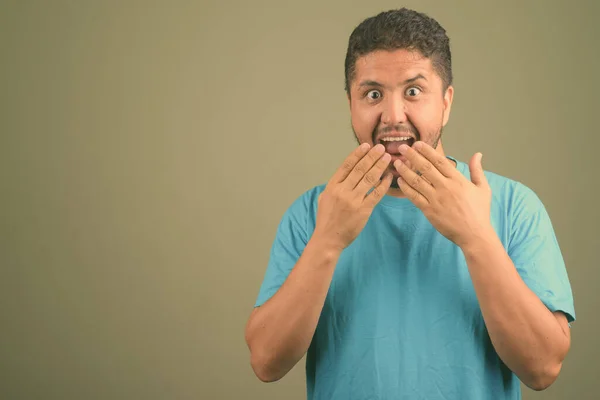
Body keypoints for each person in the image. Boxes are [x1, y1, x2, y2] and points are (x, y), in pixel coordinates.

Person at [244, 7, 576, 399]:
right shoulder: (311, 212)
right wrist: (328, 240)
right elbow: (266, 362)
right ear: (351, 104)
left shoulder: (514, 206)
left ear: (446, 102)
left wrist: (476, 237)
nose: (393, 115)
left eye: (413, 91)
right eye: (372, 94)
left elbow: (542, 368)